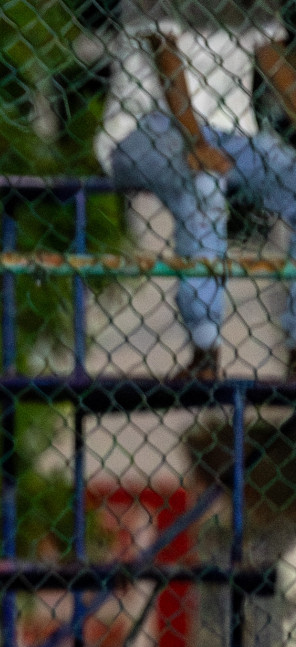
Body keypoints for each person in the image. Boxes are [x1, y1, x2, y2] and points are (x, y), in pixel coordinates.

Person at [98, 0, 296, 380]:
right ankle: (205, 348)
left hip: (234, 134)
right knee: (202, 180)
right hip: (144, 128)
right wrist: (195, 140)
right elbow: (165, 52)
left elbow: (275, 65)